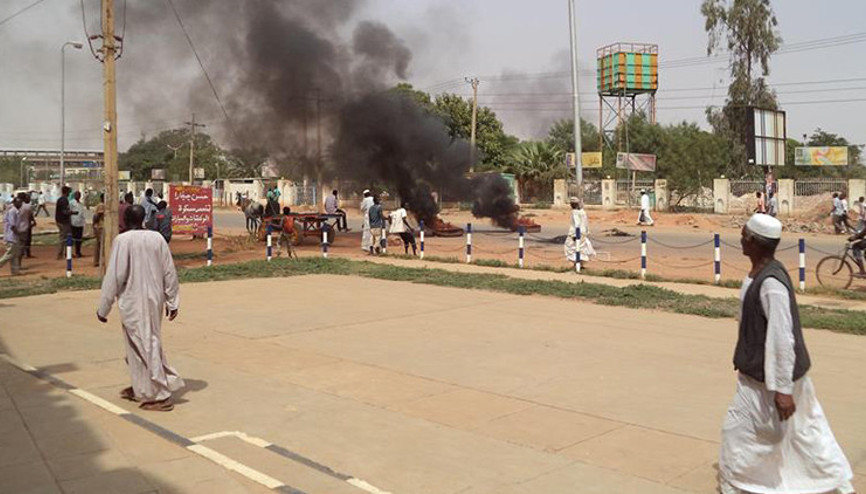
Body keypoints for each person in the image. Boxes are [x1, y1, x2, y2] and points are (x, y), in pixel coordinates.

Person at [718, 213, 855, 494]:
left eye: (744, 235)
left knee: (787, 434)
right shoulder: (759, 273)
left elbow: (782, 337)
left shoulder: (771, 283)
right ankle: (737, 482)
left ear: (754, 242)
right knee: (800, 435)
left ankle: (837, 482)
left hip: (773, 381)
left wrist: (782, 389)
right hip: (756, 376)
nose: (741, 238)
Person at [96, 205, 184, 412]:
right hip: (154, 298)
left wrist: (103, 307)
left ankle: (161, 394)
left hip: (134, 300)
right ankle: (143, 387)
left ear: (125, 220)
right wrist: (172, 300)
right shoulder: (157, 239)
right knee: (137, 344)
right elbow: (169, 272)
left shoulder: (123, 241)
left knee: (147, 343)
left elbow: (114, 277)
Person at [564, 197, 596, 263]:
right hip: (583, 232)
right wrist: (587, 231)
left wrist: (575, 234)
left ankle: (576, 263)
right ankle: (580, 264)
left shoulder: (575, 212)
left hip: (576, 232)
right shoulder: (582, 212)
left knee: (569, 247)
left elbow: (577, 223)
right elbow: (586, 223)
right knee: (581, 248)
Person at [0, 195, 22, 276]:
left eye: (21, 202)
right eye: (19, 202)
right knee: (9, 254)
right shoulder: (12, 211)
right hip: (11, 236)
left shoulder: (16, 211)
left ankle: (15, 271)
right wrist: (18, 233)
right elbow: (13, 225)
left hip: (13, 237)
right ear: (15, 203)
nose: (20, 204)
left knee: (15, 254)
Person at [55, 186, 74, 260]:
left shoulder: (61, 199)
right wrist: (71, 212)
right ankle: (62, 254)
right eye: (69, 192)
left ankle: (66, 253)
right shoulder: (64, 200)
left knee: (64, 237)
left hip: (60, 220)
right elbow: (64, 212)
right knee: (65, 238)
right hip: (63, 221)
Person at [17, 192, 35, 260]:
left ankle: (22, 254)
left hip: (17, 226)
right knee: (26, 240)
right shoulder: (27, 206)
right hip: (26, 226)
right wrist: (33, 222)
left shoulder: (14, 206)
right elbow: (30, 216)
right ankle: (25, 253)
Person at [70, 191, 86, 258]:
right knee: (72, 238)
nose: (78, 196)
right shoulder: (71, 203)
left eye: (79, 195)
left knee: (79, 239)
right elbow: (69, 211)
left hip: (80, 223)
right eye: (77, 195)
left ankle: (78, 252)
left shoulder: (81, 204)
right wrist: (74, 213)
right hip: (73, 222)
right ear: (74, 195)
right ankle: (69, 253)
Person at [93, 193, 105, 267]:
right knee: (100, 244)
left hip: (100, 226)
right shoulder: (101, 205)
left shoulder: (101, 205)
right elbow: (97, 216)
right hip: (100, 227)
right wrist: (95, 224)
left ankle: (97, 261)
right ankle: (97, 261)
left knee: (99, 244)